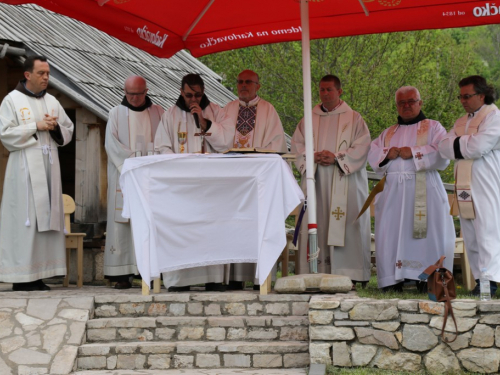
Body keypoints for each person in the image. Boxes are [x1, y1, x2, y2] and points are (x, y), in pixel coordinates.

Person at [368, 86, 455, 292]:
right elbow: (372, 154)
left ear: (420, 103)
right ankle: (392, 280)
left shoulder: (434, 127)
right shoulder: (388, 132)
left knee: (426, 235)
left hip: (424, 188)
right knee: (391, 233)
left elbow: (443, 154)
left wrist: (414, 152)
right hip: (393, 193)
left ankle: (427, 279)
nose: (406, 106)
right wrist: (387, 154)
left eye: (411, 101)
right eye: (401, 103)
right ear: (397, 105)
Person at [0, 55, 74, 291]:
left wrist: (55, 127)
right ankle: (22, 277)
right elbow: (5, 133)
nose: (46, 78)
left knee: (47, 220)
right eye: (41, 73)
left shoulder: (52, 101)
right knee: (26, 220)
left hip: (49, 167)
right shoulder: (12, 100)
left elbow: (68, 129)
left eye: (48, 73)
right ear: (27, 75)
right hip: (24, 171)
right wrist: (35, 126)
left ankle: (40, 274)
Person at [154, 73, 234, 292]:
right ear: (181, 92)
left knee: (212, 230)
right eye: (189, 95)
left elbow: (226, 142)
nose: (193, 100)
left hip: (211, 186)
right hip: (182, 187)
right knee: (182, 231)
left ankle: (213, 278)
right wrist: (180, 167)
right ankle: (180, 280)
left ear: (203, 91)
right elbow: (162, 147)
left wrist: (205, 122)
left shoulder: (216, 112)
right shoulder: (170, 115)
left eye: (198, 95)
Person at [291, 75, 371, 287]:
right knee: (317, 221)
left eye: (329, 89)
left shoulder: (354, 118)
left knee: (346, 224)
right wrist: (311, 156)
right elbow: (297, 146)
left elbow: (362, 147)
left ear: (339, 91)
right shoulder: (309, 118)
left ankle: (349, 272)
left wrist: (337, 157)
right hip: (315, 178)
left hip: (344, 179)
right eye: (322, 90)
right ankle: (315, 271)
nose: (325, 93)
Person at [222, 69, 287, 289]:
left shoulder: (268, 110)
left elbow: (277, 145)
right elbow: (218, 143)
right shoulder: (227, 109)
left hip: (258, 183)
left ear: (258, 85)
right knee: (232, 226)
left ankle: (261, 276)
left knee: (257, 227)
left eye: (248, 82)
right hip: (232, 184)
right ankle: (233, 278)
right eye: (239, 82)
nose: (243, 85)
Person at [438, 75, 500, 296]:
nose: (462, 101)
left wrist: (459, 142)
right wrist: (466, 141)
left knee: (487, 229)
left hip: (485, 181)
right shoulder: (461, 121)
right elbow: (442, 148)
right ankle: (479, 279)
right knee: (470, 232)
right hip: (464, 183)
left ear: (481, 95)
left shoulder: (494, 117)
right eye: (460, 96)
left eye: (467, 96)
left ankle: (490, 280)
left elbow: (480, 146)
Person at [104, 75, 164, 289]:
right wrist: (135, 162)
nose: (134, 98)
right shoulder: (115, 113)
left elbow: (164, 141)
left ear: (146, 91)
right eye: (130, 94)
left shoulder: (158, 113)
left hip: (150, 176)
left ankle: (150, 270)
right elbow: (111, 145)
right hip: (125, 175)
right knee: (124, 222)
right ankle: (122, 273)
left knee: (151, 221)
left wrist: (151, 162)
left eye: (138, 94)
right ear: (124, 91)